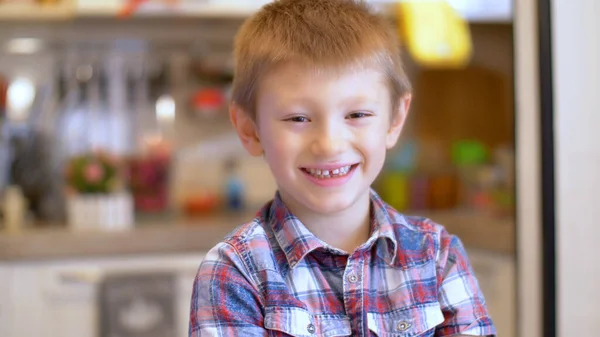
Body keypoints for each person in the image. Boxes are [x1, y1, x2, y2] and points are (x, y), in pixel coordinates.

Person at [189, 0, 496, 336]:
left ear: (394, 119)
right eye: (298, 119)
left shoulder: (439, 257)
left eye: (357, 115)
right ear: (250, 129)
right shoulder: (235, 273)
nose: (330, 144)